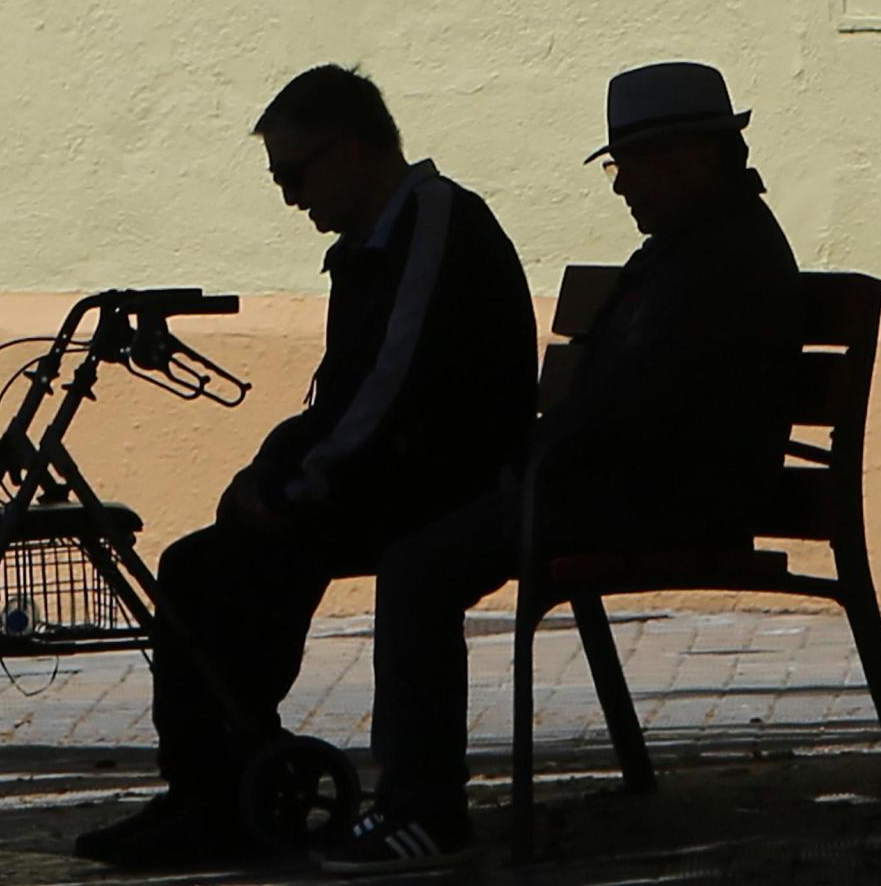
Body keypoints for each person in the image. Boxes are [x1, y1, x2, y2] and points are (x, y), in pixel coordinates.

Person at [318, 61, 802, 874]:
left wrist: (532, 466)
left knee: (418, 565)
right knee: (425, 541)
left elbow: (631, 405)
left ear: (687, 159)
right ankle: (410, 798)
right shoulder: (704, 244)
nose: (620, 189)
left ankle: (423, 810)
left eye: (627, 166)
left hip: (659, 500)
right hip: (639, 486)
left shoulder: (711, 261)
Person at [75, 64, 537, 868]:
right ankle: (214, 784)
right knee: (198, 566)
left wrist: (291, 490)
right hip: (392, 477)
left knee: (253, 558)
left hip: (445, 483)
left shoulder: (435, 223)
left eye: (295, 174)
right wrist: (270, 473)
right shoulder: (368, 245)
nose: (291, 199)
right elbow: (340, 398)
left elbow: (388, 390)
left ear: (351, 151)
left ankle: (240, 787)